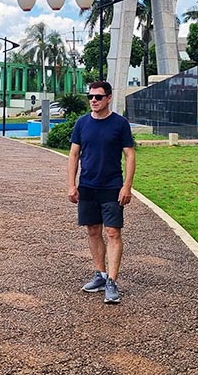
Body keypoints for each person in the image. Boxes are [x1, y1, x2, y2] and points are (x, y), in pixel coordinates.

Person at [67, 80, 136, 304]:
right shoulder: (82, 123)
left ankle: (112, 283)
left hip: (112, 186)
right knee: (93, 230)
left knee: (113, 232)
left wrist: (127, 186)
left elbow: (130, 155)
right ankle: (100, 274)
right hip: (87, 185)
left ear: (108, 98)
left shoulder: (120, 124)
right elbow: (74, 155)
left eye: (98, 97)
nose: (93, 100)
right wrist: (71, 184)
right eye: (90, 97)